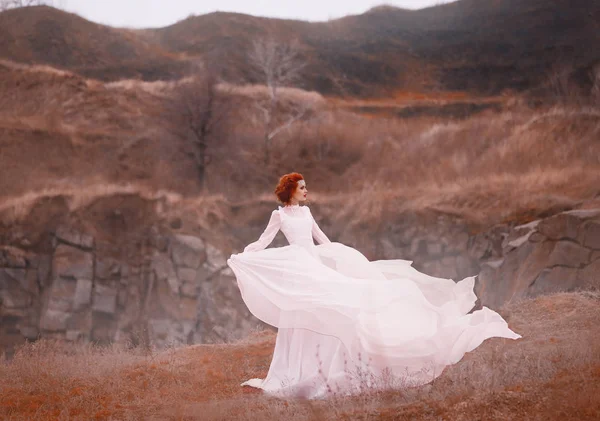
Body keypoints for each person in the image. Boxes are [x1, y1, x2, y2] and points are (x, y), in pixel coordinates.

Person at [227, 172, 521, 399]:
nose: (306, 191)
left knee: (333, 309)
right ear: (291, 189)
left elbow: (321, 238)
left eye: (305, 186)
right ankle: (295, 372)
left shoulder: (306, 213)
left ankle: (327, 369)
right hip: (299, 270)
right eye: (302, 187)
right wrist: (246, 255)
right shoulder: (279, 215)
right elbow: (265, 240)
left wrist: (339, 257)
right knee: (302, 315)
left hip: (315, 265)